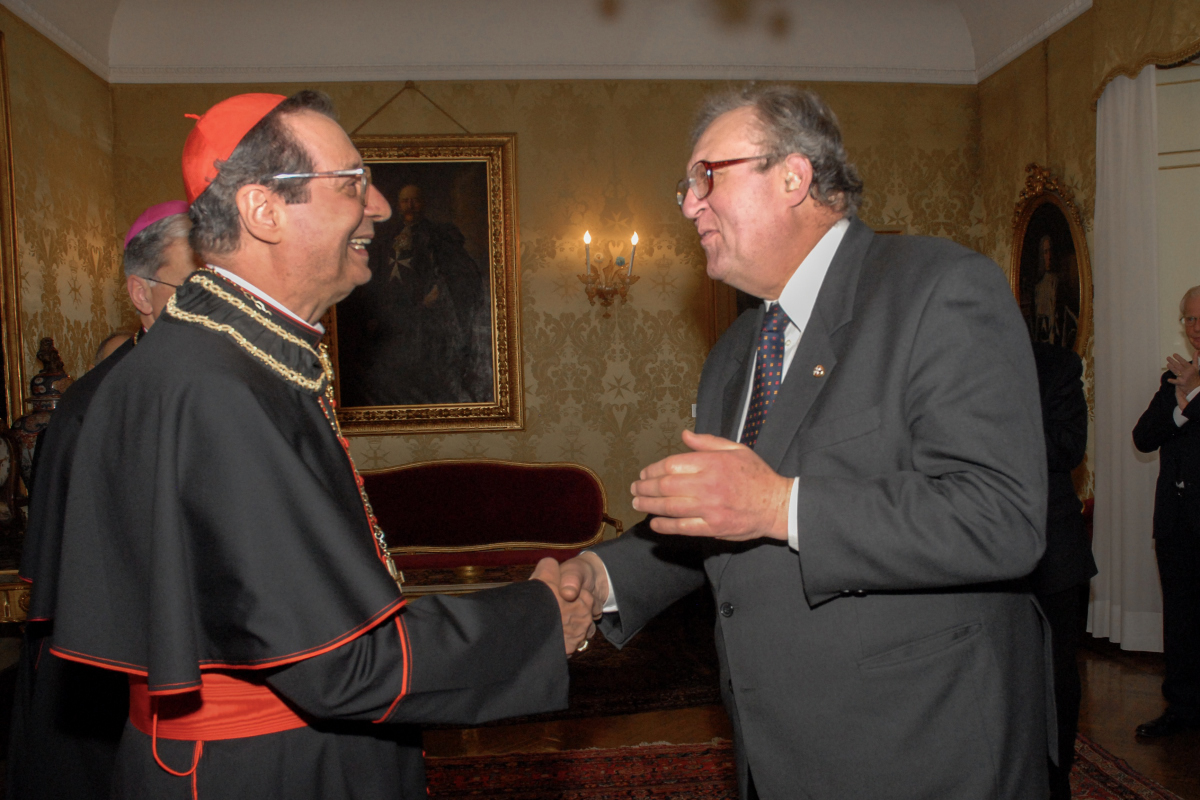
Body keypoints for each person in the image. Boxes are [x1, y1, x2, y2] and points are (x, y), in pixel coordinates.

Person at [48, 91, 593, 799]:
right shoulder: (213, 386)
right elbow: (341, 665)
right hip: (260, 772)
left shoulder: (228, 358)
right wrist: (540, 615)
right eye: (352, 184)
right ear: (263, 210)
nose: (382, 208)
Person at [556, 85, 1051, 799]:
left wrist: (783, 505)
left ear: (793, 176)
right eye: (684, 188)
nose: (690, 205)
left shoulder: (938, 288)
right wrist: (602, 580)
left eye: (706, 177)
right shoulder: (735, 350)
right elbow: (722, 518)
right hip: (778, 745)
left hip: (923, 744)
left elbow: (1000, 518)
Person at [7, 201, 196, 800]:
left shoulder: (195, 383)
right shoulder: (111, 402)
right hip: (115, 676)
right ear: (142, 296)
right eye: (194, 285)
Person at [337, 182, 491, 406]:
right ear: (398, 205)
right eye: (405, 201)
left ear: (424, 203)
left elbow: (457, 271)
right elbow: (376, 272)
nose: (410, 205)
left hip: (426, 317)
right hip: (392, 315)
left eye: (415, 200)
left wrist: (439, 290)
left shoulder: (438, 234)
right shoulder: (387, 236)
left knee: (425, 369)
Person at [1131, 285, 1200, 738]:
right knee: (1179, 620)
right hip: (1175, 522)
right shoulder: (1174, 377)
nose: (1195, 329)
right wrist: (1179, 405)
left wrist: (1194, 399)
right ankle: (1181, 709)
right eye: (1189, 320)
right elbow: (1143, 438)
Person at [1029, 340, 1097, 798]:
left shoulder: (1056, 364)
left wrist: (1002, 427)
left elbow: (1069, 447)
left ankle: (1057, 779)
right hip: (979, 550)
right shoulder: (951, 358)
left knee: (1056, 676)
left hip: (1053, 549)